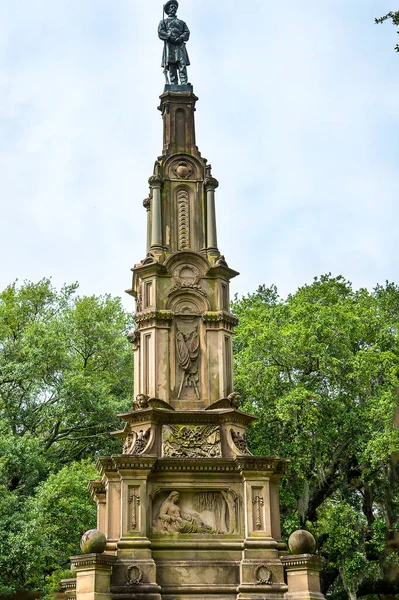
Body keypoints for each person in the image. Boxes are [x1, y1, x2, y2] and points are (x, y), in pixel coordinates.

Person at [158, 0, 190, 85]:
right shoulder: (163, 22)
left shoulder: (182, 22)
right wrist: (170, 37)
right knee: (171, 64)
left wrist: (181, 37)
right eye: (172, 7)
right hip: (170, 45)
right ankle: (174, 83)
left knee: (182, 63)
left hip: (180, 45)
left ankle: (184, 82)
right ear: (168, 9)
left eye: (175, 7)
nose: (173, 9)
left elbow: (187, 32)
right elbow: (161, 32)